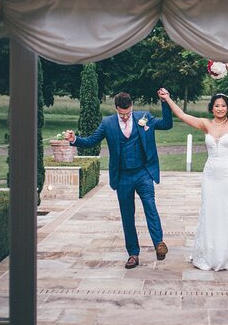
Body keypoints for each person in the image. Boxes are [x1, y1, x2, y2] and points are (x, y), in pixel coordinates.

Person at [66, 92, 173, 269]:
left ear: (132, 107)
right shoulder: (108, 123)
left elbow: (167, 124)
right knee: (127, 215)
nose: (125, 117)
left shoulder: (144, 117)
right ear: (116, 109)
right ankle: (133, 254)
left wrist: (164, 102)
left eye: (128, 113)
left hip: (143, 173)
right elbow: (92, 140)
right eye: (122, 114)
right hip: (122, 176)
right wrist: (74, 139)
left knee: (150, 207)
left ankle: (159, 243)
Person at [158, 64, 228, 271]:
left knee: (227, 211)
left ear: (227, 108)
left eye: (223, 105)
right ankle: (208, 254)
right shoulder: (206, 124)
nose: (220, 108)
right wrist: (168, 98)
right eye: (216, 105)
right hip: (210, 176)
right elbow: (181, 115)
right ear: (212, 108)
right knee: (209, 211)